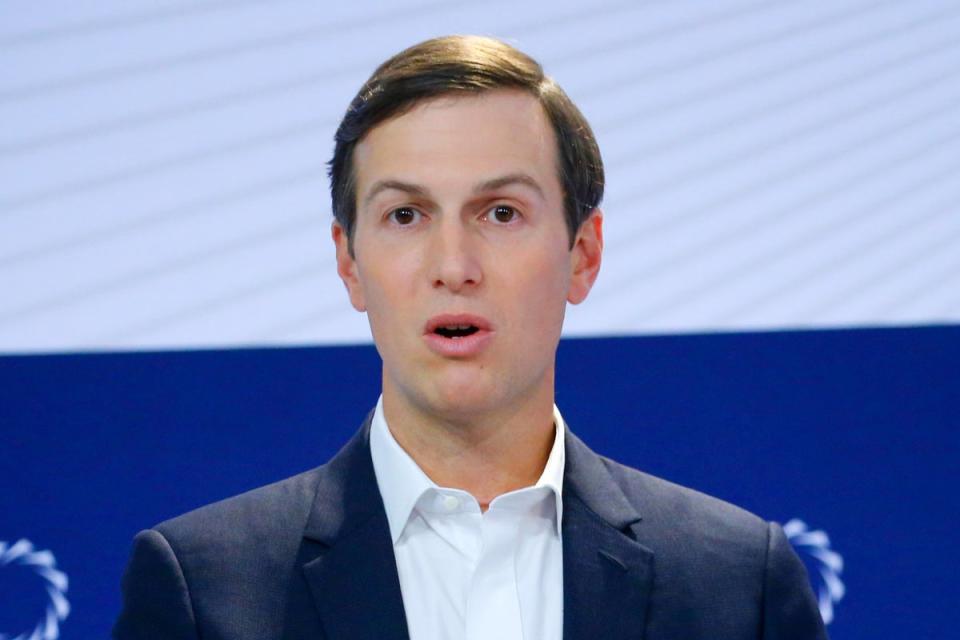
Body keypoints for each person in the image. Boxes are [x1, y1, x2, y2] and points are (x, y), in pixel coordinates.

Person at [114, 35, 827, 640]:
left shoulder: (737, 584)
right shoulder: (204, 589)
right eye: (405, 216)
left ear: (583, 254)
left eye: (501, 213)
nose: (453, 267)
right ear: (348, 262)